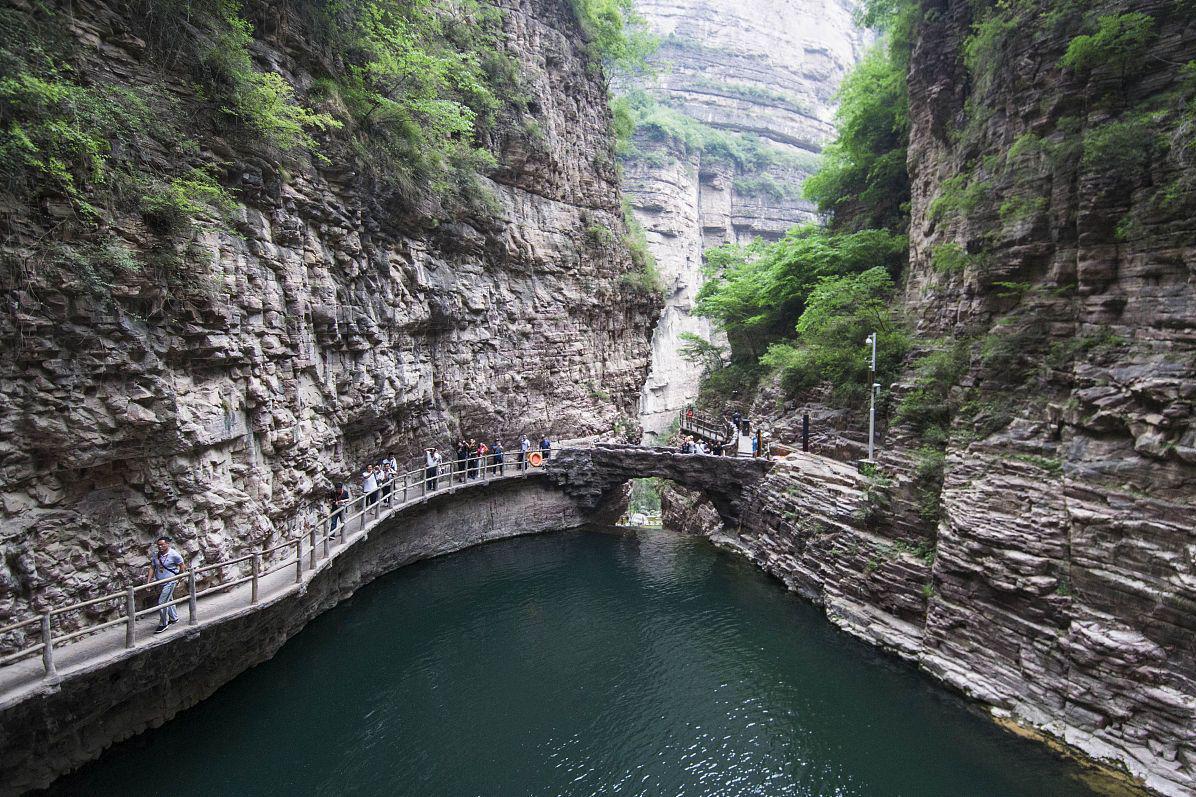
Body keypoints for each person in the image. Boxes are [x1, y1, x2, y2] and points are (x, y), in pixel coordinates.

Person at [145, 536, 185, 634]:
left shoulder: (174, 555)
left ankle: (163, 624)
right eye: (158, 545)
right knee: (168, 599)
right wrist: (148, 581)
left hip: (170, 581)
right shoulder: (156, 555)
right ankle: (174, 618)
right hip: (161, 582)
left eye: (162, 545)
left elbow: (182, 566)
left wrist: (179, 578)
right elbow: (152, 567)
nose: (160, 547)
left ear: (167, 544)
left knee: (162, 602)